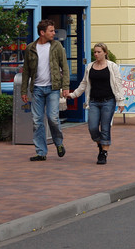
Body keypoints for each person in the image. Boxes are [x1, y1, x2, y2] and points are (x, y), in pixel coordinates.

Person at [67, 43, 125, 164]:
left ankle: (103, 153)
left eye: (99, 52)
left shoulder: (112, 66)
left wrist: (121, 101)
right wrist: (73, 95)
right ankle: (101, 143)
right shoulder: (90, 67)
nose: (96, 54)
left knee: (105, 127)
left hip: (108, 101)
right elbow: (84, 84)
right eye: (95, 52)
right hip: (93, 101)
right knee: (92, 127)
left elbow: (118, 84)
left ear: (105, 53)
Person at [20, 19, 70, 161]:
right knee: (37, 121)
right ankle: (41, 152)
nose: (54, 33)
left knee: (52, 118)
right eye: (51, 31)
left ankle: (59, 143)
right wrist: (24, 90)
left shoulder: (57, 46)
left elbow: (64, 67)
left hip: (53, 88)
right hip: (37, 89)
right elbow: (26, 72)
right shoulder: (30, 48)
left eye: (54, 30)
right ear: (42, 33)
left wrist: (65, 87)